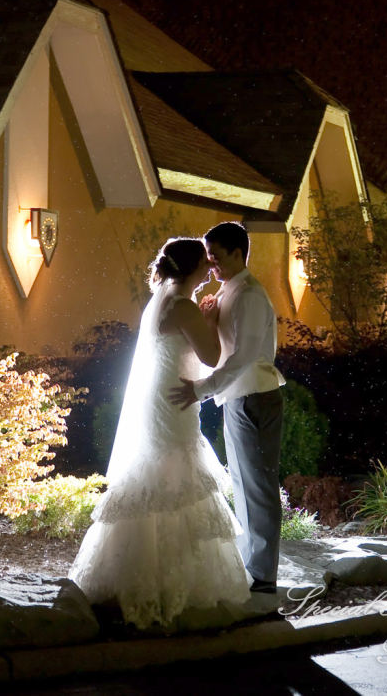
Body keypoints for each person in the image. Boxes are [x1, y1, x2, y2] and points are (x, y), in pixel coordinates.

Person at [68, 237, 252, 629]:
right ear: (190, 268)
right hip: (175, 400)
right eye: (205, 262)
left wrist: (201, 320)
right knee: (176, 475)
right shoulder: (183, 305)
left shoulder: (163, 299)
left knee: (157, 476)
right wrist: (214, 320)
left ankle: (133, 576)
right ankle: (173, 585)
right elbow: (211, 357)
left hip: (163, 396)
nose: (210, 267)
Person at [169, 222, 286, 595]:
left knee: (258, 485)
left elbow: (245, 356)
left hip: (254, 398)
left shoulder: (249, 295)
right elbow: (221, 350)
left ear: (238, 253)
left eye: (216, 256)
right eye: (209, 257)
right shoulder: (228, 293)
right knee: (244, 483)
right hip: (238, 397)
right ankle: (255, 566)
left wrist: (203, 390)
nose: (212, 264)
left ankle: (264, 576)